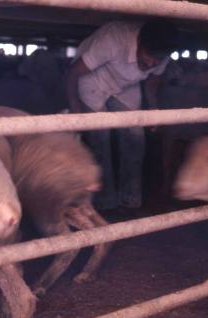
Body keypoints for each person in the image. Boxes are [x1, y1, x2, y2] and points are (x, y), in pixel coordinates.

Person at [65, 19, 179, 210]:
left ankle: (130, 199)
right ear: (139, 42)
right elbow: (73, 73)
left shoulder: (162, 54)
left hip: (125, 85)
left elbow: (152, 83)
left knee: (135, 136)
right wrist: (76, 111)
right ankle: (105, 201)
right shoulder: (112, 40)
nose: (152, 62)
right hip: (93, 80)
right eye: (148, 56)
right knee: (100, 137)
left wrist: (153, 110)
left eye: (157, 60)